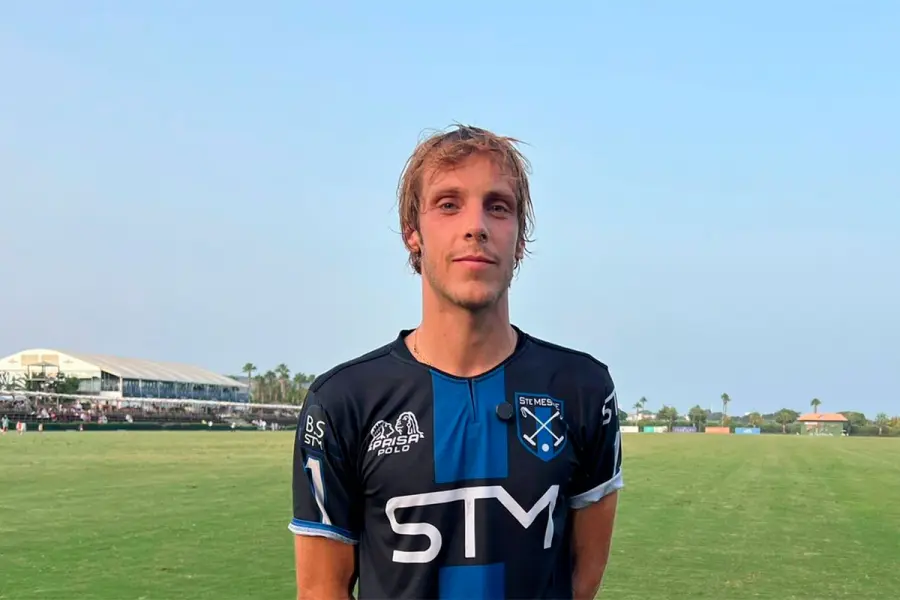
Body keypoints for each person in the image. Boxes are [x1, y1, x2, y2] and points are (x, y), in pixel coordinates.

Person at [291, 125, 623, 600]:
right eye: (448, 204)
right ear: (413, 233)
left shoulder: (582, 389)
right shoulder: (342, 401)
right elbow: (322, 589)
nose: (476, 226)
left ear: (519, 239)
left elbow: (581, 580)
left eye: (498, 206)